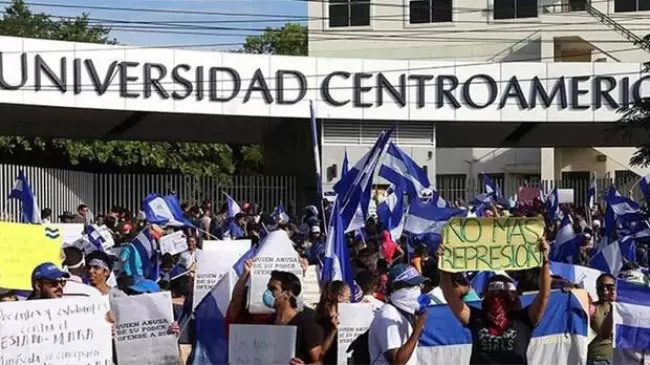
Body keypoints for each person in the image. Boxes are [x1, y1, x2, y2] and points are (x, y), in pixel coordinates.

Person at [439, 237, 551, 365]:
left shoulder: (523, 320)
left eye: (502, 295)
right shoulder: (477, 318)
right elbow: (451, 298)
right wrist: (444, 265)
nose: (496, 299)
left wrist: (545, 261)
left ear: (513, 297)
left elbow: (544, 296)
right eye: (492, 294)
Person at [368, 264, 429, 365]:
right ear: (395, 288)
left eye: (418, 285)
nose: (416, 290)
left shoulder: (404, 312)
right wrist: (417, 329)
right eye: (411, 286)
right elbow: (397, 361)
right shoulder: (388, 317)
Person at [263, 270, 324, 365]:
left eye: (273, 289)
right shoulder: (269, 321)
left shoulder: (306, 323)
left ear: (287, 294)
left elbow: (320, 361)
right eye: (267, 288)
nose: (267, 293)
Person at [315, 280, 351, 365]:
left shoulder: (344, 317)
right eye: (348, 298)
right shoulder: (322, 319)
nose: (350, 301)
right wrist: (333, 331)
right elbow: (321, 353)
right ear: (339, 298)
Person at [587, 273, 616, 365]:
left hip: (620, 359)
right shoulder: (591, 308)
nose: (605, 290)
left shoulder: (622, 309)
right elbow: (605, 334)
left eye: (609, 287)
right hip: (598, 360)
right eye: (600, 287)